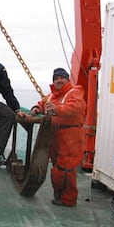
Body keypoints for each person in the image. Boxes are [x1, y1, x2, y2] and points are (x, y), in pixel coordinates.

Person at [18, 67, 86, 207]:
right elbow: (43, 104)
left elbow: (73, 108)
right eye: (56, 79)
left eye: (61, 78)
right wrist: (36, 109)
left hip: (70, 137)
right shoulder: (52, 95)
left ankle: (68, 199)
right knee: (57, 168)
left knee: (65, 170)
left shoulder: (75, 93)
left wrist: (56, 110)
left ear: (67, 79)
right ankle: (60, 196)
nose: (59, 80)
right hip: (54, 137)